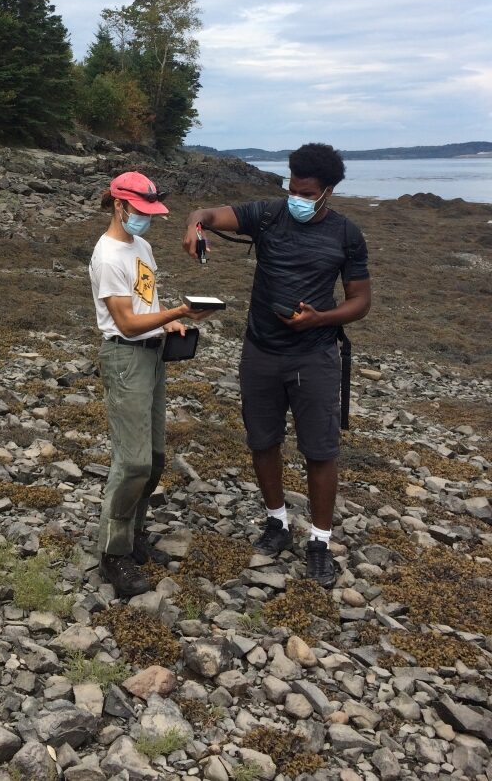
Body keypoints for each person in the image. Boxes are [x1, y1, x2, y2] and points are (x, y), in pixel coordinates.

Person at [183, 143, 371, 588]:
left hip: (316, 354)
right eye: (292, 186)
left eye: (306, 193)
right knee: (262, 440)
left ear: (328, 191)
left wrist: (320, 319)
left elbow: (361, 301)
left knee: (320, 450)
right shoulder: (267, 215)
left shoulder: (347, 235)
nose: (296, 198)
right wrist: (195, 225)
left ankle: (320, 541)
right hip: (261, 351)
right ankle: (277, 522)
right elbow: (207, 213)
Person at [90, 171, 211, 598]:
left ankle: (135, 532)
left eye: (151, 213)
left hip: (152, 354)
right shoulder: (107, 256)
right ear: (120, 207)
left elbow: (146, 300)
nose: (147, 220)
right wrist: (177, 310)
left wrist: (170, 318)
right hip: (124, 357)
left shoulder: (141, 246)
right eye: (141, 212)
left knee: (155, 457)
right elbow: (124, 321)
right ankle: (113, 553)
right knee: (132, 462)